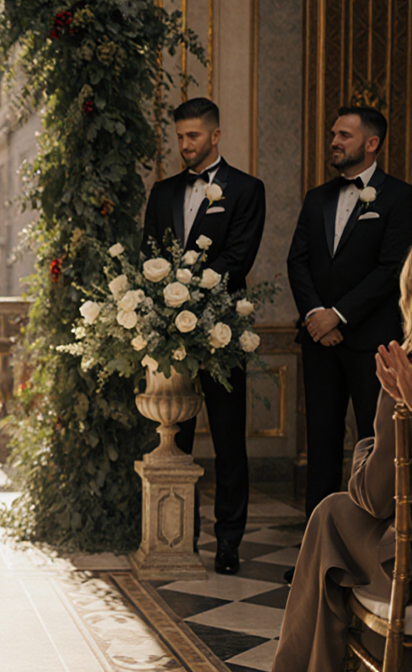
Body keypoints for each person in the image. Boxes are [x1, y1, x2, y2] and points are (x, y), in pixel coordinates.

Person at [141, 97, 267, 575]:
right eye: (180, 137)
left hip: (222, 332)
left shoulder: (247, 190)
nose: (184, 145)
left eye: (193, 136)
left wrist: (187, 296)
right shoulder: (164, 192)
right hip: (168, 337)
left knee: (230, 438)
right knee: (176, 434)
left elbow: (239, 257)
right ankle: (179, 535)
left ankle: (228, 541)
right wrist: (165, 308)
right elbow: (148, 254)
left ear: (216, 136)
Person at [271, 249, 412, 672]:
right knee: (333, 517)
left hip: (406, 556)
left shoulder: (403, 370)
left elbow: (375, 497)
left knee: (332, 517)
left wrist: (368, 446)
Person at [287, 107, 412, 534]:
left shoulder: (400, 197)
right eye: (333, 133)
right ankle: (315, 551)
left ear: (371, 143)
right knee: (320, 447)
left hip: (372, 345)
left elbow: (391, 268)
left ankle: (373, 550)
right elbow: (297, 261)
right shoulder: (317, 197)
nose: (334, 141)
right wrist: (315, 318)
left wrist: (338, 315)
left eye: (343, 134)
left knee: (375, 447)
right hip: (319, 343)